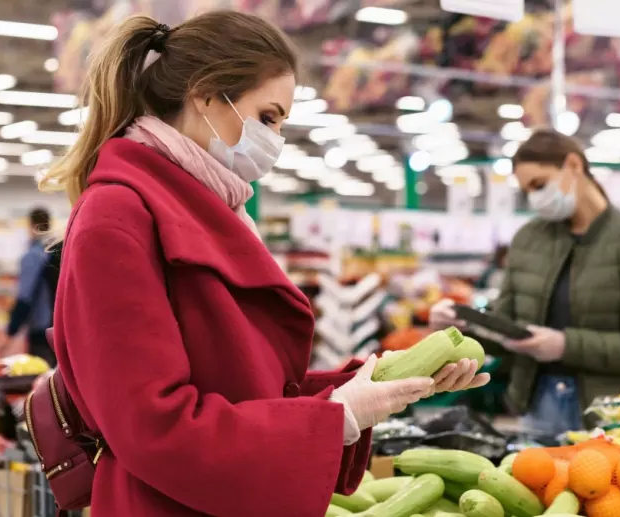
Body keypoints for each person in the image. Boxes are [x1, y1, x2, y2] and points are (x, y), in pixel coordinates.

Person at [40, 12, 488, 517]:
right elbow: (152, 426)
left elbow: (247, 387)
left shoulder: (211, 208)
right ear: (206, 95)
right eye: (269, 117)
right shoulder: (117, 217)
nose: (276, 139)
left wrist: (374, 386)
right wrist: (336, 417)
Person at [430, 129, 620, 437]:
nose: (535, 198)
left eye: (540, 184)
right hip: (539, 406)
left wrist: (564, 345)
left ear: (573, 165)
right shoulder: (528, 239)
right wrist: (458, 328)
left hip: (614, 414)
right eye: (527, 190)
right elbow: (506, 330)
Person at [0, 207, 57, 366]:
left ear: (31, 225)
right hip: (58, 325)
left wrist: (10, 331)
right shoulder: (55, 251)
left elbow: (25, 297)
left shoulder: (33, 255)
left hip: (41, 329)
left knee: (40, 376)